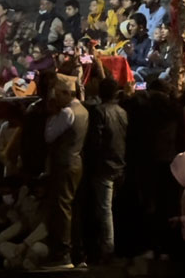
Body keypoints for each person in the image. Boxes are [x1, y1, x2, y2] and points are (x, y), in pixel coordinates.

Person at [43, 76, 89, 269]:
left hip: (64, 164)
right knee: (72, 207)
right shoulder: (83, 111)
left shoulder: (67, 113)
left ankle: (63, 255)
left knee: (62, 208)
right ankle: (77, 253)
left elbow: (49, 136)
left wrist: (52, 116)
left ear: (65, 93)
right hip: (77, 162)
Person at [85, 77, 127, 261]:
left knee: (104, 209)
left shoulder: (99, 112)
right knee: (111, 208)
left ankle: (107, 248)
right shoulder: (122, 112)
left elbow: (96, 141)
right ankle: (112, 245)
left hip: (104, 166)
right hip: (119, 163)